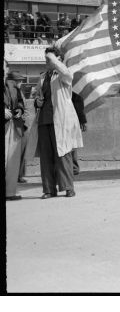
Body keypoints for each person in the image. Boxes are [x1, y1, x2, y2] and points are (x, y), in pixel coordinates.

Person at [34, 47, 83, 198]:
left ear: (58, 60)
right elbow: (37, 96)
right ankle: (49, 189)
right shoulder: (42, 77)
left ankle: (68, 187)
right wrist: (38, 101)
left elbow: (67, 74)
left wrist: (55, 61)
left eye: (49, 59)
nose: (46, 61)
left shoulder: (63, 75)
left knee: (63, 154)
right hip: (44, 120)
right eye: (46, 59)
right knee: (46, 157)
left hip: (61, 120)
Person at [5, 66, 27, 201]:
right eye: (18, 81)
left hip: (15, 126)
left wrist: (19, 110)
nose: (20, 83)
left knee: (13, 161)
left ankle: (10, 192)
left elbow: (20, 103)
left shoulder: (16, 90)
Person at [70, 92, 87, 175]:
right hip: (66, 118)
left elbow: (79, 103)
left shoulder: (74, 90)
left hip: (72, 119)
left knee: (72, 145)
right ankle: (73, 168)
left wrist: (82, 121)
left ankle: (74, 168)